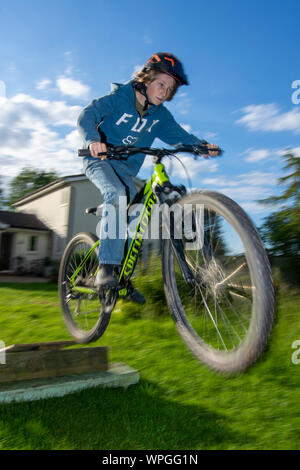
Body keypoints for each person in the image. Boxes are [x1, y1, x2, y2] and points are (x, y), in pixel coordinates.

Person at [77, 52, 220, 303]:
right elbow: (87, 115)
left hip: (125, 171)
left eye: (170, 88)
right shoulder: (119, 98)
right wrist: (93, 140)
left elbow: (179, 135)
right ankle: (106, 269)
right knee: (117, 195)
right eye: (161, 84)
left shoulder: (160, 116)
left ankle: (122, 276)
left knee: (137, 215)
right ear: (146, 78)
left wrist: (201, 145)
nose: (165, 92)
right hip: (99, 161)